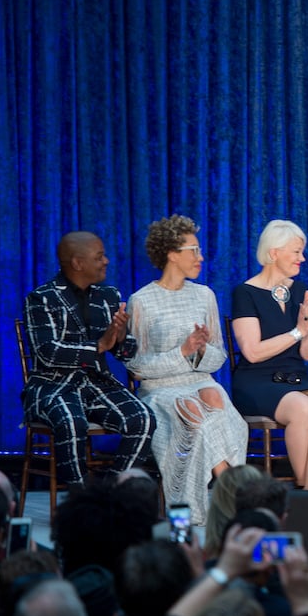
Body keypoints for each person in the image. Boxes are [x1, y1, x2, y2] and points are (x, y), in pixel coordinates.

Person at [126, 215, 248, 524]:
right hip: (160, 389)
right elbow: (137, 366)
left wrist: (201, 349)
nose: (201, 257)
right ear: (171, 254)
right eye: (193, 250)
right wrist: (182, 351)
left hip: (199, 378)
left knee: (215, 400)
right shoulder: (141, 301)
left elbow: (218, 356)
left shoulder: (204, 295)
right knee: (194, 412)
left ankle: (226, 495)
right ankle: (232, 497)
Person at [21, 231, 155, 488]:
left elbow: (124, 354)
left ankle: (110, 492)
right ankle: (81, 499)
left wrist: (121, 335)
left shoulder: (109, 296)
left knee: (143, 418)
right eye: (99, 256)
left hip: (96, 383)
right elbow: (48, 352)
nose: (106, 261)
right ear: (77, 263)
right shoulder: (41, 298)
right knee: (72, 422)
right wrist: (99, 345)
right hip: (52, 385)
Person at [231, 220, 308, 490]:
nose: (302, 258)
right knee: (303, 407)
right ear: (274, 253)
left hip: (293, 378)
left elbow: (306, 353)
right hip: (256, 381)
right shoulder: (244, 293)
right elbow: (253, 353)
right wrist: (297, 331)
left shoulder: (298, 289)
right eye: (296, 252)